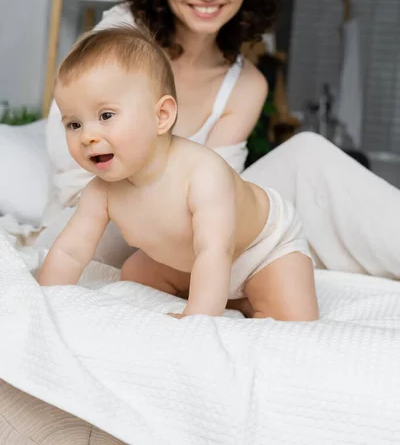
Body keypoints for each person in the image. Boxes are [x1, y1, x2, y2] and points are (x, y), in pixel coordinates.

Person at [36, 0, 400, 280]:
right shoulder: (120, 36)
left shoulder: (245, 84)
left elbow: (218, 195)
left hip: (181, 231)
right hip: (94, 220)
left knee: (306, 157)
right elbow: (75, 159)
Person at [38, 27, 319, 321]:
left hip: (259, 249)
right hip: (190, 259)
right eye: (74, 124)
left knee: (296, 320)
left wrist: (197, 317)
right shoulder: (101, 191)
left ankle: (241, 298)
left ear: (161, 116)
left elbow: (216, 250)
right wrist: (44, 299)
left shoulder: (203, 173)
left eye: (106, 115)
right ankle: (230, 300)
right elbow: (71, 250)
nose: (87, 136)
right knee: (133, 277)